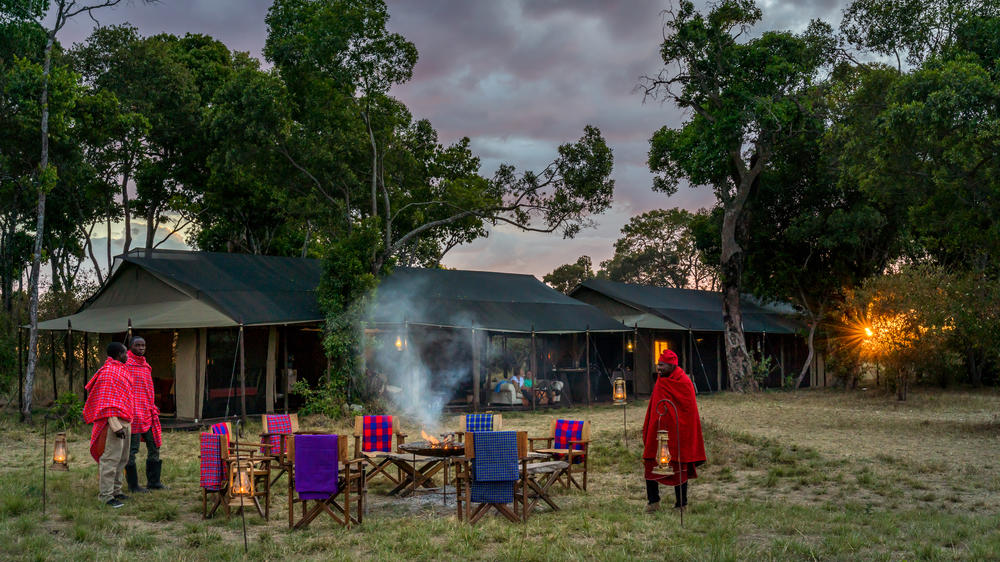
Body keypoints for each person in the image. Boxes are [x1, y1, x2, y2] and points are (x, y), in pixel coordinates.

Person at [641, 349, 706, 513]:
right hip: (658, 431)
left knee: (679, 466)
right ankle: (653, 502)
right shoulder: (661, 380)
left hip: (678, 433)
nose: (659, 368)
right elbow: (654, 405)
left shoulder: (684, 382)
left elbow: (688, 411)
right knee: (650, 462)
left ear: (672, 365)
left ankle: (681, 504)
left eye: (662, 365)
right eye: (658, 364)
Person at [82, 342, 133, 508]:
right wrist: (115, 425)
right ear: (119, 355)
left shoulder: (120, 370)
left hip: (126, 419)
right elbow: (106, 402)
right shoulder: (108, 373)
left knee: (122, 459)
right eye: (125, 353)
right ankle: (106, 496)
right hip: (113, 424)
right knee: (110, 459)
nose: (127, 356)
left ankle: (117, 491)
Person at [125, 336, 164, 492]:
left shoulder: (146, 366)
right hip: (133, 414)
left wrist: (151, 406)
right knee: (131, 450)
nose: (141, 348)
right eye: (137, 345)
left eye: (143, 345)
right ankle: (133, 485)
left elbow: (148, 389)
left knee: (154, 446)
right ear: (131, 347)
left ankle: (154, 482)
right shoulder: (126, 364)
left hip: (148, 412)